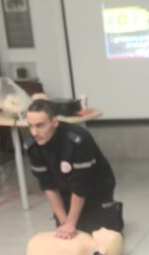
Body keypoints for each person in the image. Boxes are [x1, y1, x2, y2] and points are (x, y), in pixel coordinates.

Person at [24, 99, 122, 239]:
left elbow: (80, 187)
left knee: (98, 237)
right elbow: (48, 186)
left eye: (40, 126)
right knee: (67, 234)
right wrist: (65, 223)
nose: (34, 132)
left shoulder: (78, 140)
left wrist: (71, 223)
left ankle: (112, 213)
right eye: (30, 126)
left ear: (55, 122)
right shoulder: (33, 146)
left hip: (96, 190)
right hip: (66, 192)